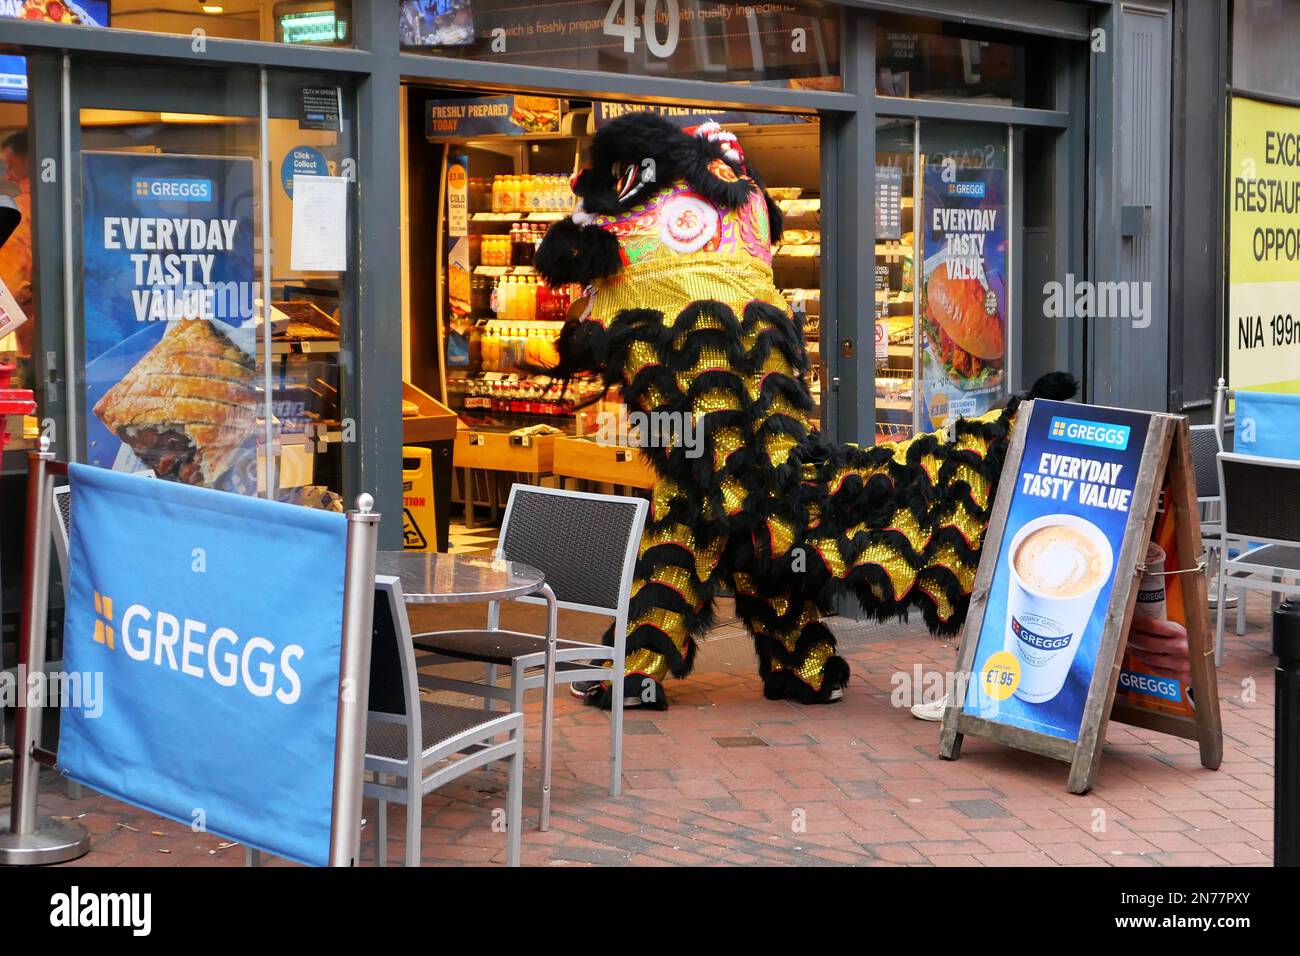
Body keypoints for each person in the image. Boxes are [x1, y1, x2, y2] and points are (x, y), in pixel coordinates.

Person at [0, 128, 33, 387]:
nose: (8, 174)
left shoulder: (18, 210)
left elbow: (12, 287)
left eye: (11, 165)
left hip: (34, 342)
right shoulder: (77, 197)